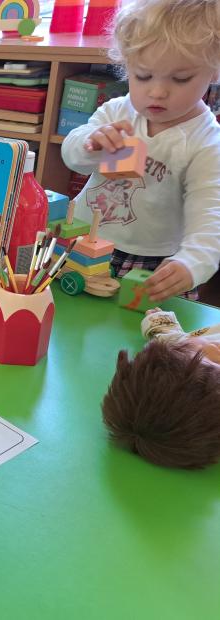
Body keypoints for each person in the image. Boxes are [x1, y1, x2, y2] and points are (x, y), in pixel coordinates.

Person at [61, 0, 220, 301]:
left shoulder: (206, 142)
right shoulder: (116, 111)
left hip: (153, 263)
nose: (157, 92)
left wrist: (192, 263)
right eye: (143, 76)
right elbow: (72, 157)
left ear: (214, 70)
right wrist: (91, 143)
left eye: (180, 79)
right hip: (85, 239)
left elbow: (212, 217)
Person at [102, 307, 220, 469]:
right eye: (214, 362)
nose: (211, 347)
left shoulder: (171, 356)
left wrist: (160, 321)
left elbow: (170, 343)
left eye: (191, 349)